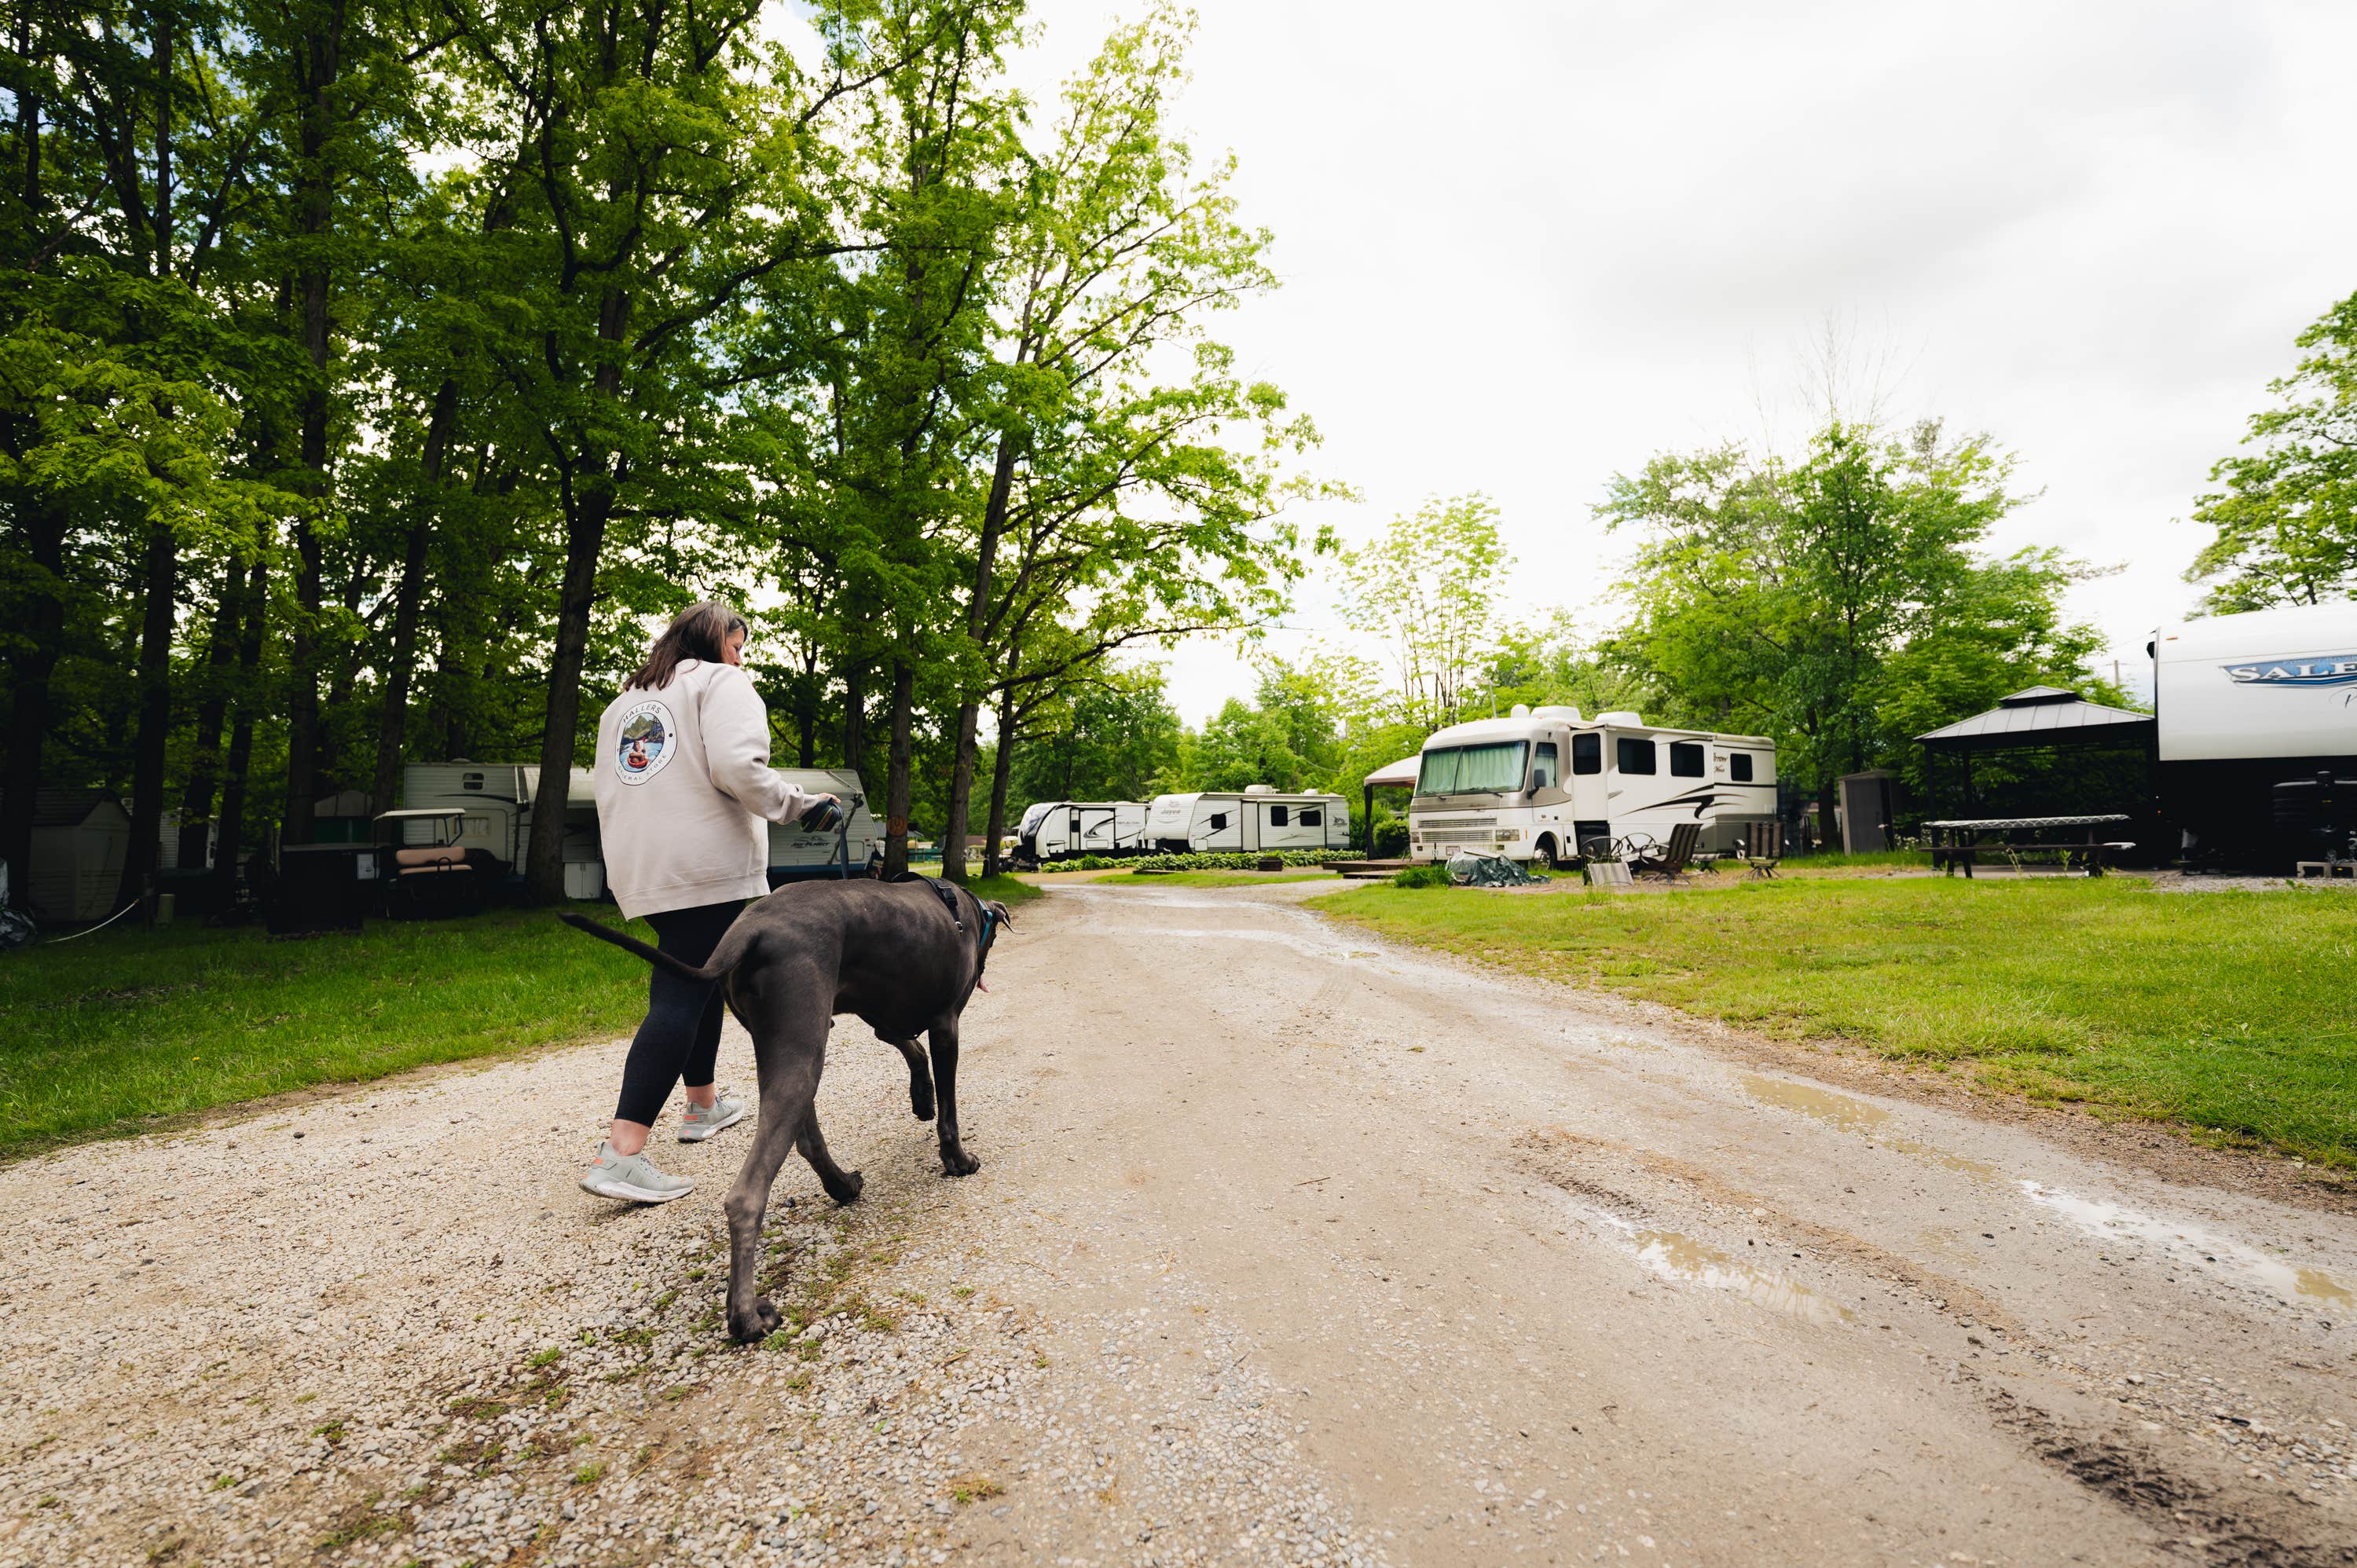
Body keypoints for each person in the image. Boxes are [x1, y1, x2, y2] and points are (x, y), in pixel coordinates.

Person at [579, 600, 838, 1204]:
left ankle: (702, 1105)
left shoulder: (627, 700)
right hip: (707, 865)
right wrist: (800, 804)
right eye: (738, 645)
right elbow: (737, 767)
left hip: (644, 867)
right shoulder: (721, 682)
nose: (741, 656)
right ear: (716, 641)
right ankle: (621, 1153)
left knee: (700, 974)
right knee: (680, 995)